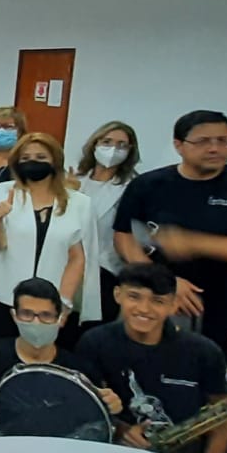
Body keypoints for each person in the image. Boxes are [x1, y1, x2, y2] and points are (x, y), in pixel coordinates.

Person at [113, 110, 227, 349]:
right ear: (178, 145)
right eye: (203, 141)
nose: (214, 148)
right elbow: (124, 237)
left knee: (222, 369)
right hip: (158, 296)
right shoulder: (148, 185)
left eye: (223, 141)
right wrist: (163, 281)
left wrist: (193, 242)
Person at [76, 264, 227, 453]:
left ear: (174, 305)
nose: (144, 309)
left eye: (158, 301)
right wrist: (122, 431)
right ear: (117, 294)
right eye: (134, 297)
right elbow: (86, 409)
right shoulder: (94, 342)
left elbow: (222, 418)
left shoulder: (204, 352)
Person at [0, 133, 100, 339]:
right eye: (26, 158)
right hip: (5, 297)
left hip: (53, 301)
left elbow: (78, 258)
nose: (33, 163)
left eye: (41, 158)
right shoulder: (2, 192)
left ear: (55, 161)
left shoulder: (79, 203)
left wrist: (64, 302)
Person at [0, 278, 119, 430]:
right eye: (27, 313)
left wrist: (108, 407)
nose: (36, 322)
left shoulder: (79, 369)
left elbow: (93, 424)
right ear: (14, 315)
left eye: (46, 315)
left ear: (60, 318)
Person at [73, 122, 142, 327]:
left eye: (122, 145)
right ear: (94, 145)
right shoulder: (76, 179)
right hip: (67, 267)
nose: (113, 149)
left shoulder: (133, 187)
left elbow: (134, 235)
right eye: (107, 142)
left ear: (130, 151)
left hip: (106, 270)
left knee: (92, 330)